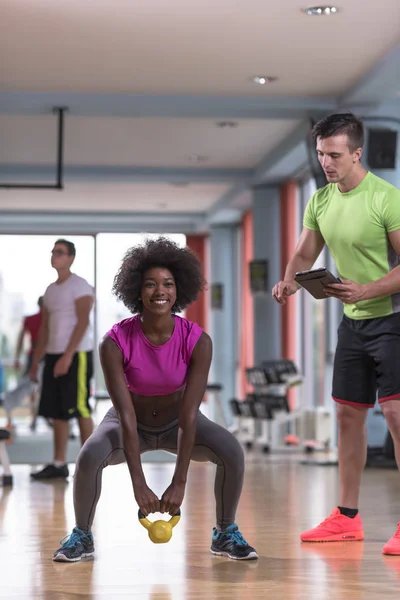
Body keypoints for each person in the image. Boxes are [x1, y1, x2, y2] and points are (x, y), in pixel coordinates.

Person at [52, 237, 258, 562]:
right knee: (89, 455)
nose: (159, 291)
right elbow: (125, 415)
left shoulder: (198, 341)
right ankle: (82, 535)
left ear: (179, 290)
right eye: (150, 284)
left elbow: (190, 415)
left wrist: (179, 482)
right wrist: (139, 483)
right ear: (137, 290)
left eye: (167, 284)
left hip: (179, 419)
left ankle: (225, 532)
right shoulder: (114, 342)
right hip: (129, 420)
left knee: (231, 451)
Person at [272, 112, 400, 555]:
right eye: (321, 153)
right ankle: (346, 518)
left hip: (392, 319)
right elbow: (306, 251)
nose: (326, 161)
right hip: (353, 323)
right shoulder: (321, 201)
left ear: (357, 153)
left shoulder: (386, 198)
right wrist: (290, 279)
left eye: (335, 154)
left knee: (398, 416)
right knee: (348, 416)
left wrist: (367, 287)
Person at [29, 239, 94, 480]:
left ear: (71, 258)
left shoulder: (80, 286)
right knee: (56, 412)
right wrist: (37, 361)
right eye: (53, 252)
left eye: (60, 252)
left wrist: (68, 356)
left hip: (76, 355)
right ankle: (59, 464)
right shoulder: (50, 290)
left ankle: (90, 464)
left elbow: (83, 321)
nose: (54, 256)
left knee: (80, 408)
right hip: (54, 355)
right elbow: (45, 328)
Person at [14, 296, 43, 375]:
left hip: (34, 354)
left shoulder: (30, 319)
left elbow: (20, 339)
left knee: (28, 381)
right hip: (47, 354)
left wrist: (17, 358)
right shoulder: (51, 319)